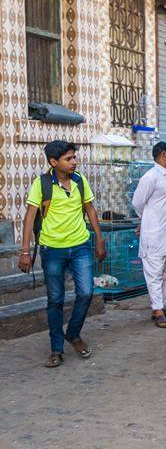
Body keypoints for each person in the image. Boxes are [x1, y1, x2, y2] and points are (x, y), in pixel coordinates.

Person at [18, 141, 106, 368]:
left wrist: (99, 238)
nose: (74, 162)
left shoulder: (80, 181)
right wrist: (25, 251)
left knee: (86, 293)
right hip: (52, 249)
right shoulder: (42, 184)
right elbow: (30, 217)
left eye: (74, 157)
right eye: (69, 159)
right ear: (54, 162)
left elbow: (90, 210)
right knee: (55, 300)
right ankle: (56, 349)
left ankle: (73, 334)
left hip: (80, 247)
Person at [132, 141, 166, 328]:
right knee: (154, 272)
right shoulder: (150, 177)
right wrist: (147, 220)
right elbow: (137, 203)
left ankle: (162, 307)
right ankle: (157, 311)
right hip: (155, 234)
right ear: (163, 155)